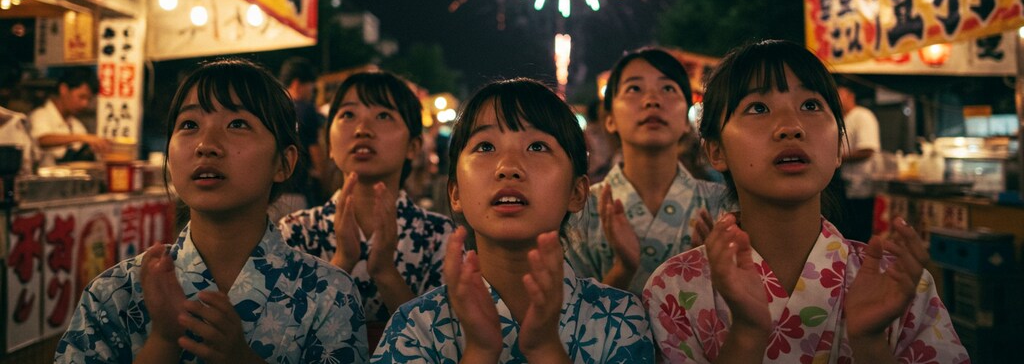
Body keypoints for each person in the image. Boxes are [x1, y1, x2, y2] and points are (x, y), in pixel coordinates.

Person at [643, 39, 967, 363]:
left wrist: (869, 344)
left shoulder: (899, 287)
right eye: (758, 108)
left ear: (840, 146)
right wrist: (746, 334)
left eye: (811, 106)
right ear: (716, 150)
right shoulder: (674, 290)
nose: (791, 127)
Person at [55, 58, 369, 363]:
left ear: (284, 163)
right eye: (189, 124)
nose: (206, 144)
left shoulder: (330, 295)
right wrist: (164, 341)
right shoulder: (114, 294)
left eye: (237, 124)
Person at [373, 78, 653, 362]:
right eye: (485, 147)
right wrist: (480, 352)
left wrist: (545, 348)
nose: (508, 167)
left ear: (577, 192)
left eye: (537, 147)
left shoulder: (620, 318)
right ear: (455, 192)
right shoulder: (415, 326)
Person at [279, 71, 454, 340]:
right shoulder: (296, 230)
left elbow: (443, 344)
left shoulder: (440, 236)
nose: (362, 129)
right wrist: (340, 263)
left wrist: (385, 272)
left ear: (414, 146)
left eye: (383, 116)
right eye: (348, 115)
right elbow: (283, 341)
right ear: (329, 145)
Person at [566, 47, 731, 295]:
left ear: (687, 121)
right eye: (634, 89)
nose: (652, 100)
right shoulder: (581, 211)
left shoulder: (723, 205)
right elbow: (571, 319)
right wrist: (623, 269)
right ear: (609, 119)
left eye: (668, 89)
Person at [29, 67, 110, 166]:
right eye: (81, 97)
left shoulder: (76, 125)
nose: (85, 104)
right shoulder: (40, 116)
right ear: (64, 89)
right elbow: (41, 140)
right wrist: (83, 138)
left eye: (88, 99)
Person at [279, 56, 329, 206]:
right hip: (296, 194)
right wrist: (327, 185)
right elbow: (315, 151)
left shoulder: (273, 108)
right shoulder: (305, 109)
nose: (312, 93)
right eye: (311, 87)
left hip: (269, 195)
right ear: (297, 84)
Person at [837, 83, 881, 242]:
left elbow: (867, 149)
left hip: (862, 186)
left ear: (851, 97)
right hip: (846, 186)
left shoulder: (862, 115)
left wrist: (837, 158)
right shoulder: (842, 119)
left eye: (839, 95)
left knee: (860, 232)